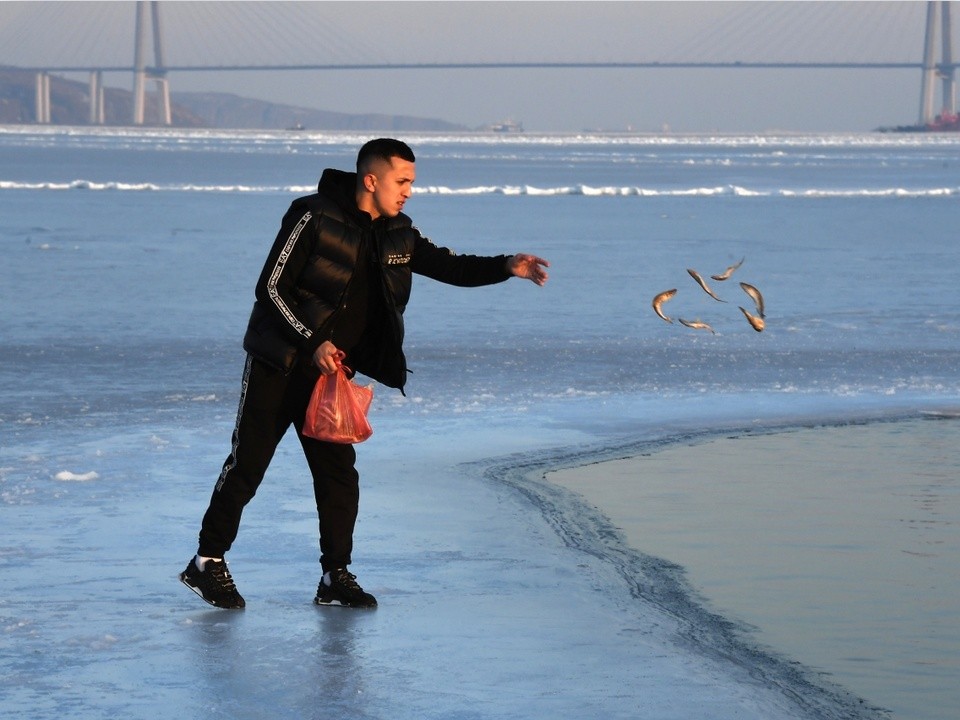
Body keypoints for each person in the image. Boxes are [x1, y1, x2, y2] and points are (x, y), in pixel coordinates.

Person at [180, 138, 549, 610]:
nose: (409, 192)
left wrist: (506, 267)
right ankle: (206, 562)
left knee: (338, 477)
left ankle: (335, 576)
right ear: (371, 180)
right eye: (402, 182)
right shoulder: (311, 216)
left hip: (331, 378)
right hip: (281, 365)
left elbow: (449, 266)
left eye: (412, 183)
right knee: (248, 465)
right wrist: (313, 342)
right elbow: (271, 288)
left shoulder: (398, 233)